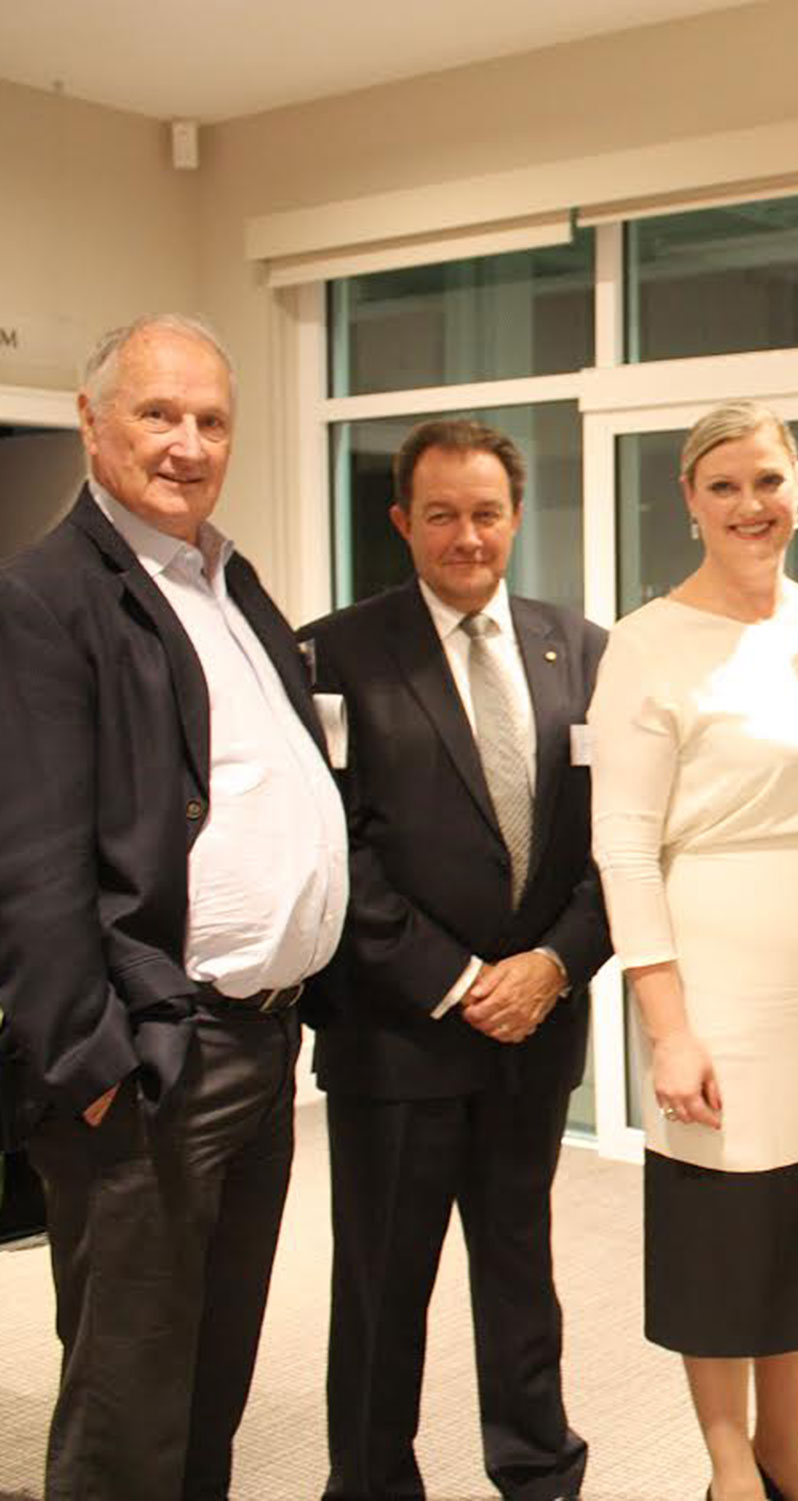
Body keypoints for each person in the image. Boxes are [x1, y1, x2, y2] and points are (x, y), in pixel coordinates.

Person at [0, 314, 348, 1499]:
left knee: (209, 1385)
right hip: (150, 1059)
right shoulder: (45, 598)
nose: (189, 443)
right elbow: (31, 865)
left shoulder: (227, 578)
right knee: (126, 1410)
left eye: (211, 419)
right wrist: (92, 1062)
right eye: (159, 413)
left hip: (258, 1046)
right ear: (94, 421)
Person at [299, 418, 609, 1501]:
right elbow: (330, 849)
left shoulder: (583, 646)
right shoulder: (332, 653)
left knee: (521, 1269)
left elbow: (619, 841)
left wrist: (554, 966)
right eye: (441, 514)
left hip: (536, 1026)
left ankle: (537, 1469)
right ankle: (372, 1481)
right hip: (396, 1031)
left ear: (515, 517)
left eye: (485, 513)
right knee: (385, 1285)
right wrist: (454, 978)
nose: (465, 535)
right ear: (401, 522)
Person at [589, 399, 798, 1501]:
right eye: (724, 486)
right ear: (689, 501)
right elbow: (622, 846)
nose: (749, 506)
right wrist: (667, 1029)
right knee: (719, 1229)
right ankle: (728, 1465)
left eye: (767, 481)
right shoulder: (647, 640)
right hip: (715, 974)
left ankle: (790, 1448)